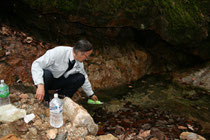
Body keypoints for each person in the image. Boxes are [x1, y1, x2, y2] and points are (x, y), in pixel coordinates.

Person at [31, 40, 98, 103]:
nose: (86, 59)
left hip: (58, 81)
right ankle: (45, 101)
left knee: (81, 77)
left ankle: (62, 98)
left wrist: (91, 94)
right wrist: (40, 85)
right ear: (80, 53)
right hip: (46, 81)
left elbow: (85, 77)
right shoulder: (58, 52)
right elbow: (36, 64)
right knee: (46, 74)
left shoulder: (79, 61)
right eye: (86, 56)